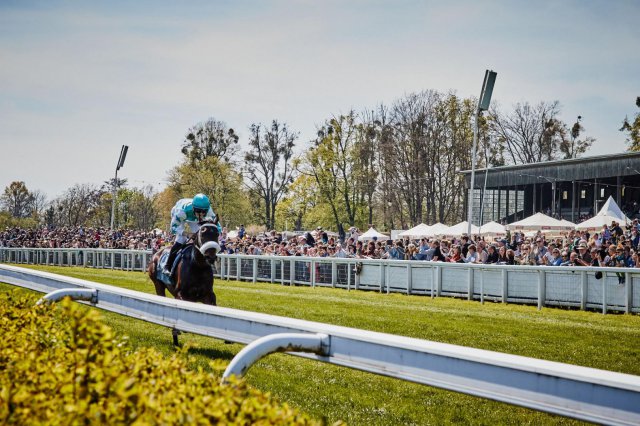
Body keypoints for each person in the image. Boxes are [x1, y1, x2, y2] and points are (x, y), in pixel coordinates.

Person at [163, 194, 220, 276]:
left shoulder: (209, 212)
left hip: (192, 218)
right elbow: (173, 228)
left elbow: (218, 228)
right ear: (193, 208)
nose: (200, 214)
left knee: (199, 237)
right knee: (180, 240)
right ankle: (167, 266)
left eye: (204, 212)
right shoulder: (181, 212)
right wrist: (187, 234)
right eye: (198, 211)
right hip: (182, 216)